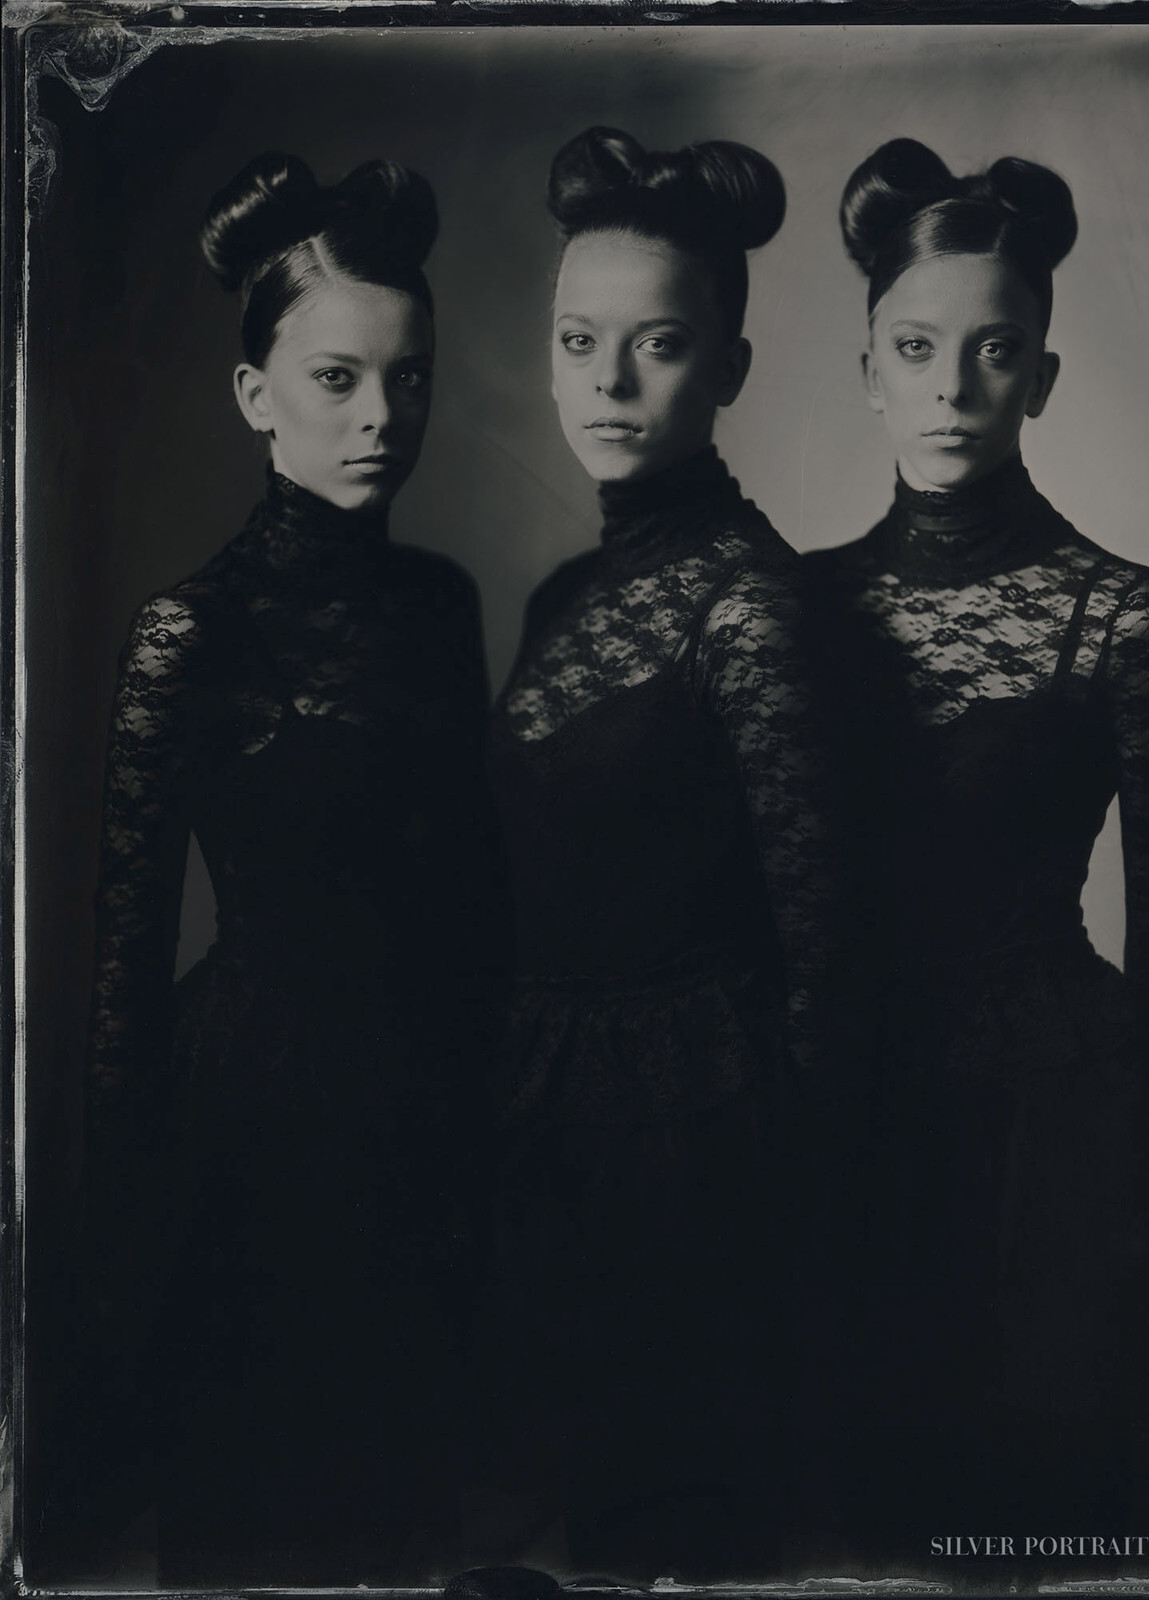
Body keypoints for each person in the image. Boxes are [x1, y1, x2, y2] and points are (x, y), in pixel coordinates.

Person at [804, 138, 1149, 1553]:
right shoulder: (792, 611)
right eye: (918, 347)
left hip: (1062, 1128)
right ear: (868, 365)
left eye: (993, 350)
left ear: (1041, 377)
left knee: (1044, 1519)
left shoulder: (1124, 614)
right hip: (850, 1112)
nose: (951, 388)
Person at [79, 151, 500, 1585]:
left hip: (432, 1131)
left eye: (411, 377)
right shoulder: (183, 636)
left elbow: (472, 901)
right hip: (253, 1136)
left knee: (408, 1519)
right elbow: (122, 985)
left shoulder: (443, 609)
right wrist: (114, 1268)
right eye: (338, 379)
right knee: (261, 1529)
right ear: (255, 394)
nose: (384, 415)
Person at [483, 126, 847, 1581]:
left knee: (677, 1525)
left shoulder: (752, 602)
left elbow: (818, 945)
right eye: (580, 340)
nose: (608, 382)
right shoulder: (568, 590)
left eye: (658, 345)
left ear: (731, 373)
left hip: (696, 1144)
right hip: (552, 1117)